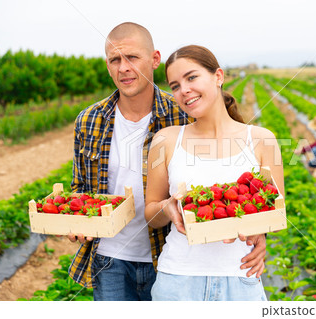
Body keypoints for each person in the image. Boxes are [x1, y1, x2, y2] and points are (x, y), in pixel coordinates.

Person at [67, 23, 266, 301]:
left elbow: (226, 174)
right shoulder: (89, 120)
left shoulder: (184, 111)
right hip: (108, 256)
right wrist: (76, 222)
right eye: (115, 60)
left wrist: (258, 233)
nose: (123, 68)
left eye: (132, 57)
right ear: (108, 65)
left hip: (165, 254)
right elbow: (80, 188)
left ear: (154, 59)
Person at [144, 45, 284, 301]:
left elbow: (274, 211)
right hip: (178, 281)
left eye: (191, 77)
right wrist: (169, 206)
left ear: (218, 76)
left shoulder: (263, 140)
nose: (183, 90)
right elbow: (151, 215)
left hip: (240, 277)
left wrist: (259, 233)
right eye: (174, 85)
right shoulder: (165, 140)